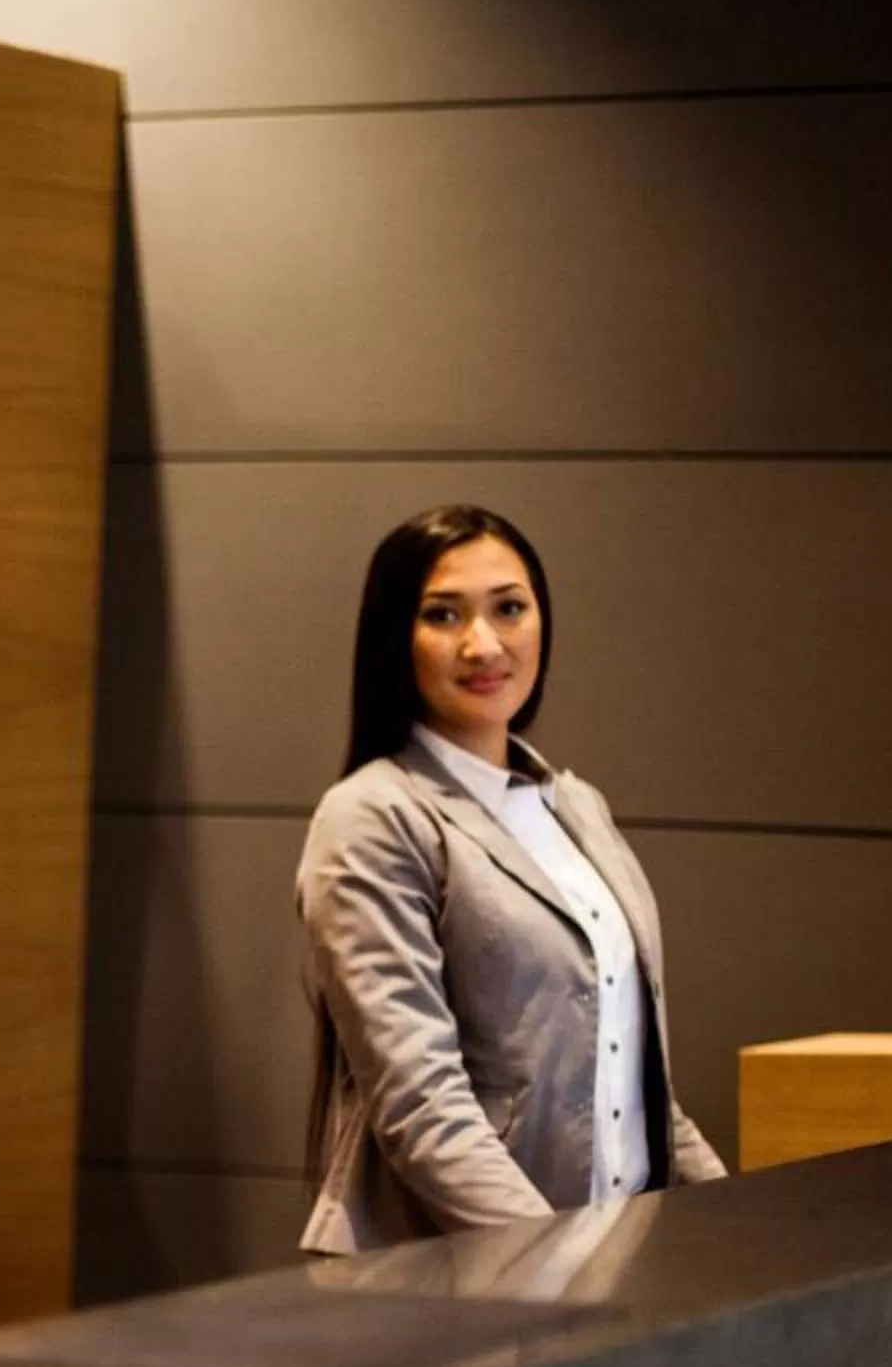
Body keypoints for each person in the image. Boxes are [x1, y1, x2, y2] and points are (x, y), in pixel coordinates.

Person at [296, 503, 724, 1252]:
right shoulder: (372, 815)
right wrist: (557, 1268)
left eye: (510, 608)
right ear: (394, 636)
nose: (483, 643)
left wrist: (736, 1229)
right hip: (456, 1290)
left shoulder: (576, 806)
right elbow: (422, 1105)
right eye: (442, 615)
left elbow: (635, 1077)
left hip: (613, 1271)